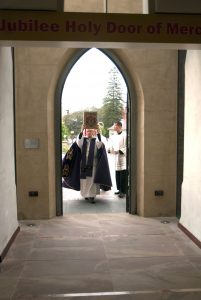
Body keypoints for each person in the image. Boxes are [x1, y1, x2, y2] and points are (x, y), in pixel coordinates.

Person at [62, 124, 112, 203]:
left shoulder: (96, 141)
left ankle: (91, 196)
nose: (89, 132)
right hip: (83, 165)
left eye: (91, 131)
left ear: (93, 132)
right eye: (88, 131)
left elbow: (101, 144)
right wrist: (81, 130)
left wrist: (98, 132)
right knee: (84, 181)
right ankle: (86, 195)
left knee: (92, 181)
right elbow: (78, 142)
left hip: (93, 164)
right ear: (86, 132)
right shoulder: (83, 141)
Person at [108, 121, 127, 198]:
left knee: (123, 174)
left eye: (115, 126)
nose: (114, 127)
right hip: (116, 157)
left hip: (123, 157)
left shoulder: (124, 135)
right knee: (117, 174)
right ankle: (119, 189)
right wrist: (110, 149)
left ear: (119, 126)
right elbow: (111, 145)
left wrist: (120, 151)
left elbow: (127, 145)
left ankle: (123, 191)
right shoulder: (114, 136)